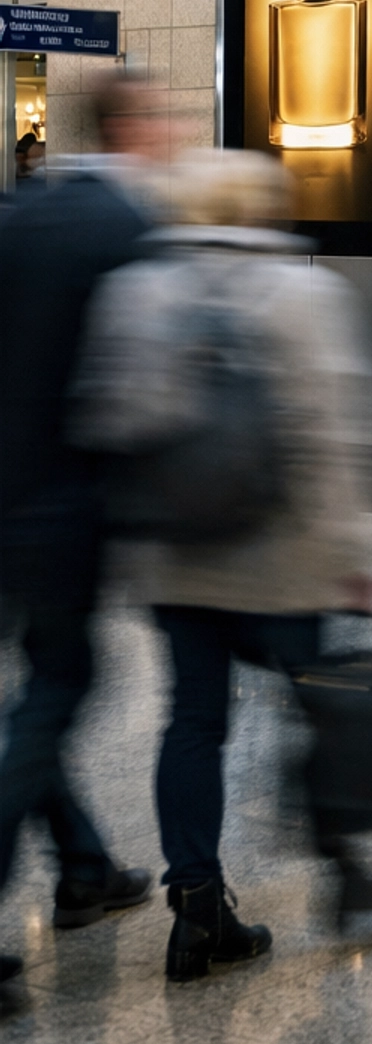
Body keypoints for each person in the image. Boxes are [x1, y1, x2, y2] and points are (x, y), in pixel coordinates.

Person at [68, 149, 372, 981]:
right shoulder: (305, 291)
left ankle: (196, 908)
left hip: (175, 556)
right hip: (282, 561)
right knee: (322, 709)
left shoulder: (133, 291)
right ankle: (346, 871)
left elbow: (108, 421)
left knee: (192, 723)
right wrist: (354, 556)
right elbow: (329, 439)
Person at [0, 72, 167, 992]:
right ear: (132, 124)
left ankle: (85, 868)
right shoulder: (130, 234)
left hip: (11, 495)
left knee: (48, 685)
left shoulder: (24, 214)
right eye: (166, 115)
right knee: (57, 690)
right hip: (70, 512)